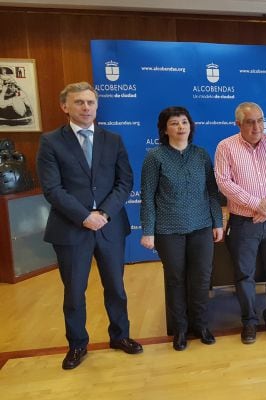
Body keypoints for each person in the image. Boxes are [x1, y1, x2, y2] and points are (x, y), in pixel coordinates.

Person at [37, 82, 142, 370]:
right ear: (65, 106)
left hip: (109, 227)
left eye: (90, 103)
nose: (86, 108)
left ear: (97, 106)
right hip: (71, 228)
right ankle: (77, 345)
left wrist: (105, 213)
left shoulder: (113, 139)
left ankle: (120, 336)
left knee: (116, 288)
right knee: (74, 292)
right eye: (79, 102)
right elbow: (52, 188)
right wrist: (85, 216)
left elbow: (125, 182)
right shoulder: (51, 141)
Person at [140, 106, 224, 351]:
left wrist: (217, 222)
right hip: (168, 230)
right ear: (165, 130)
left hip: (201, 226)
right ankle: (180, 329)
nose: (180, 127)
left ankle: (201, 325)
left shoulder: (201, 155)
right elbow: (148, 196)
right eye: (174, 123)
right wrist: (148, 230)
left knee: (201, 279)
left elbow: (211, 192)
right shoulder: (154, 157)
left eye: (184, 122)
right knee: (176, 280)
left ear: (191, 126)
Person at [214, 102, 266, 342]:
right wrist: (256, 204)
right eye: (250, 122)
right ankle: (249, 321)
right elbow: (223, 182)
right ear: (238, 124)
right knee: (244, 275)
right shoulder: (225, 147)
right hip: (243, 223)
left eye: (260, 120)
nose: (257, 126)